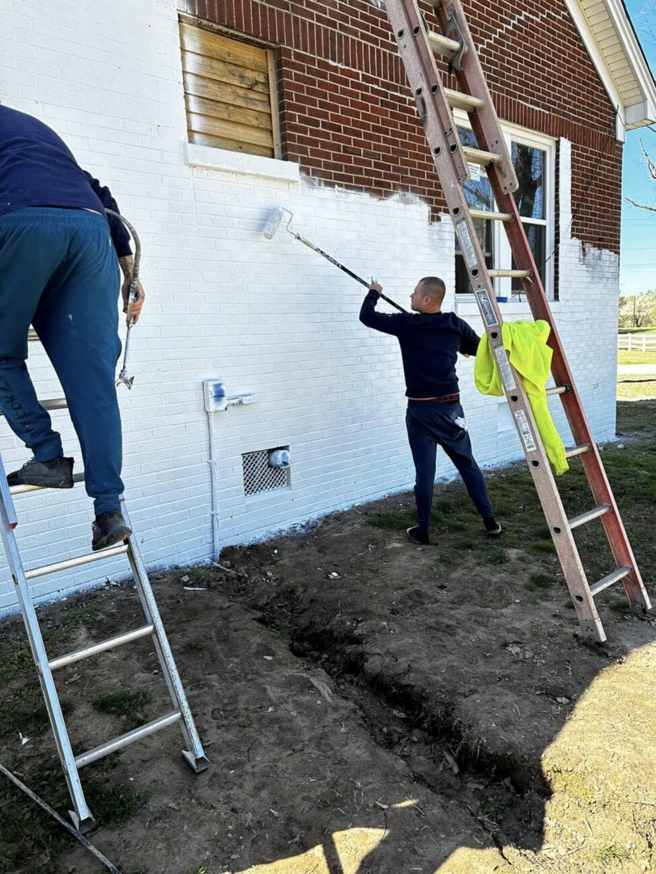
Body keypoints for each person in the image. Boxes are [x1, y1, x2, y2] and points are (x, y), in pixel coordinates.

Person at [0, 105, 145, 551]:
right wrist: (131, 276)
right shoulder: (31, 129)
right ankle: (108, 510)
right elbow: (100, 192)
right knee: (94, 386)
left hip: (20, 221)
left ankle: (47, 456)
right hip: (90, 231)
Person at [360, 276, 501, 545]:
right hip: (451, 410)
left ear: (426, 299)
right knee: (468, 465)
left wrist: (374, 292)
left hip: (420, 412)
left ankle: (422, 530)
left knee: (425, 474)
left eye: (414, 293)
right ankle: (490, 522)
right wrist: (455, 346)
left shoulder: (406, 325)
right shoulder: (454, 325)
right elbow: (480, 349)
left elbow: (367, 316)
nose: (410, 297)